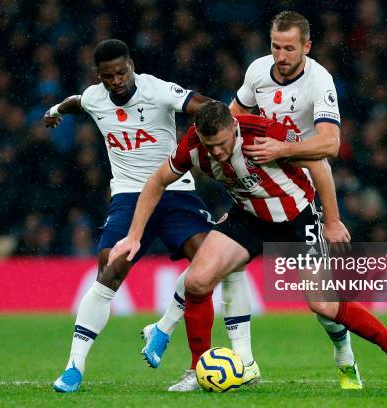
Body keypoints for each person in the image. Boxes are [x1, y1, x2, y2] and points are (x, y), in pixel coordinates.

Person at [110, 101, 387, 390]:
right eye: (210, 145)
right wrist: (134, 235)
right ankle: (197, 369)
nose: (216, 152)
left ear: (233, 126)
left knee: (322, 304)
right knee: (197, 282)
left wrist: (333, 221)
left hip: (297, 218)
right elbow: (156, 182)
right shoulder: (194, 145)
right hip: (250, 217)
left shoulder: (263, 135)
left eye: (222, 143)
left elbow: (320, 166)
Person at [148, 10, 363, 390]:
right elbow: (233, 120)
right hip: (259, 183)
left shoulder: (320, 80)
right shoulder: (257, 72)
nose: (281, 55)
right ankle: (230, 364)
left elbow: (329, 147)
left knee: (323, 307)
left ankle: (345, 354)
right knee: (210, 272)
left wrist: (284, 148)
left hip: (302, 183)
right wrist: (230, 164)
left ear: (307, 48)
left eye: (289, 48)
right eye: (276, 46)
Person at [46, 39, 260, 393]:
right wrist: (55, 110)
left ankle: (210, 360)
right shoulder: (94, 97)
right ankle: (74, 366)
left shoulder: (157, 90)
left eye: (121, 72)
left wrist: (235, 124)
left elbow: (205, 106)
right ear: (98, 76)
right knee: (109, 268)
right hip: (130, 196)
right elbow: (76, 103)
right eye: (108, 76)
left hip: (175, 190)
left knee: (220, 263)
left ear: (131, 65)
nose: (116, 80)